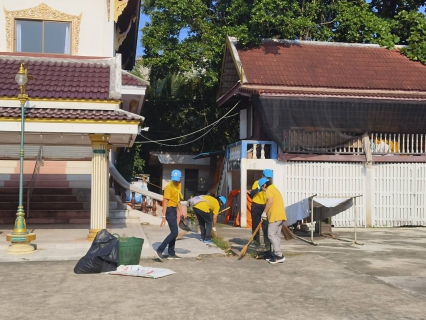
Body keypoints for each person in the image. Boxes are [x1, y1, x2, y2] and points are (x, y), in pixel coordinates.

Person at [156, 169, 186, 261]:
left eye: (177, 180)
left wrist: (182, 212)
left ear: (180, 178)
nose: (176, 182)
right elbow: (165, 202)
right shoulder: (168, 187)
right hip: (169, 210)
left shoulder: (179, 186)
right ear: (172, 179)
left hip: (174, 210)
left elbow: (178, 201)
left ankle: (171, 253)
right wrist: (164, 216)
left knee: (174, 232)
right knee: (174, 233)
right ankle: (159, 250)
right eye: (174, 180)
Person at [258, 177, 287, 264]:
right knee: (276, 236)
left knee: (270, 234)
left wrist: (264, 213)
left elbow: (270, 202)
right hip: (280, 216)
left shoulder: (269, 190)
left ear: (264, 185)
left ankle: (279, 255)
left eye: (262, 188)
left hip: (275, 216)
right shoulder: (275, 189)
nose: (262, 191)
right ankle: (276, 254)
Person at [248, 169, 273, 248]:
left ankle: (267, 244)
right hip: (256, 206)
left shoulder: (271, 186)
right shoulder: (257, 183)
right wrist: (259, 187)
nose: (268, 179)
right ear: (262, 175)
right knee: (255, 225)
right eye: (266, 177)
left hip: (266, 206)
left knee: (266, 226)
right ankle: (256, 242)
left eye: (269, 178)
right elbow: (252, 194)